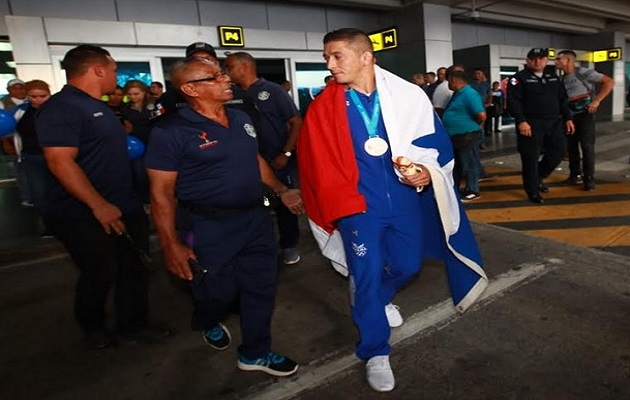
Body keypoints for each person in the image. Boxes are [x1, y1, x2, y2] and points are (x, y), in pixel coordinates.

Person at [298, 28, 487, 393]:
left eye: (337, 56)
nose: (330, 64)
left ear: (366, 56)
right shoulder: (324, 105)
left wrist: (422, 172)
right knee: (366, 273)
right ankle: (375, 350)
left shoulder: (407, 95)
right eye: (327, 58)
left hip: (404, 201)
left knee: (408, 265)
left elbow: (433, 145)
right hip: (357, 207)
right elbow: (314, 162)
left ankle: (376, 297)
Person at [145, 56, 302, 377]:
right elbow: (160, 193)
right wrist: (170, 243)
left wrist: (280, 189)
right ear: (190, 88)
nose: (225, 79)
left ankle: (256, 352)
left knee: (261, 287)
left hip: (256, 220)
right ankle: (206, 319)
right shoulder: (171, 131)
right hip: (207, 225)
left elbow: (253, 157)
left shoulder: (240, 115)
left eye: (223, 73)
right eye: (214, 77)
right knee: (218, 291)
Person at [35, 44, 168, 350]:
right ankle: (93, 328)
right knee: (100, 271)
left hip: (122, 204)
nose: (116, 75)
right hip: (83, 212)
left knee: (134, 268)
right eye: (113, 69)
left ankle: (134, 325)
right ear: (97, 70)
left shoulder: (100, 105)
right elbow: (59, 161)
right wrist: (98, 205)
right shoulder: (62, 108)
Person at [224, 51, 303, 265]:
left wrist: (286, 153)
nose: (226, 72)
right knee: (262, 203)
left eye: (230, 67)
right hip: (247, 163)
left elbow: (296, 122)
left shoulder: (272, 91)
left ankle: (288, 244)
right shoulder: (230, 94)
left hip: (276, 160)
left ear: (244, 66)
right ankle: (263, 246)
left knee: (284, 203)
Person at [508, 48, 575, 204]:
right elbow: (513, 102)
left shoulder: (553, 77)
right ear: (528, 60)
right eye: (534, 59)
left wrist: (568, 118)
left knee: (560, 151)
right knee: (530, 157)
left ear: (546, 60)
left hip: (554, 122)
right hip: (531, 124)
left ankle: (537, 176)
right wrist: (521, 121)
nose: (537, 62)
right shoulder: (518, 78)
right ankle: (532, 190)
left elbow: (563, 99)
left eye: (541, 58)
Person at [554, 50, 615, 191]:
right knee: (572, 148)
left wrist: (597, 100)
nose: (556, 61)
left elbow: (609, 82)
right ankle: (574, 175)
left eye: (559, 59)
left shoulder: (583, 72)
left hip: (585, 115)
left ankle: (589, 179)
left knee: (587, 147)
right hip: (569, 117)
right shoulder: (561, 78)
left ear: (569, 60)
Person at [15, 79, 54, 236]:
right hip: (31, 156)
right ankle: (48, 225)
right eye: (33, 96)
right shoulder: (20, 112)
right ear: (27, 95)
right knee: (39, 193)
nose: (38, 100)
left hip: (55, 156)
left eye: (42, 96)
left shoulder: (57, 110)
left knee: (60, 191)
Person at [442, 70, 486, 201]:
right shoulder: (458, 94)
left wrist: (470, 126)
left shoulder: (469, 93)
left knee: (469, 163)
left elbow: (481, 115)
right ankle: (458, 187)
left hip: (467, 135)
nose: (448, 84)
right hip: (457, 135)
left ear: (454, 81)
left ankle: (473, 190)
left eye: (449, 81)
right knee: (460, 163)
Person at [153, 42, 220, 116]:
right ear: (188, 65)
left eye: (208, 59)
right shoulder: (172, 96)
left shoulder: (230, 91)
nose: (203, 63)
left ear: (216, 63)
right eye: (197, 60)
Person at [121, 79, 155, 203]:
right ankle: (145, 200)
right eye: (130, 94)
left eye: (136, 94)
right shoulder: (125, 109)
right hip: (137, 145)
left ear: (144, 92)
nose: (133, 97)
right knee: (139, 173)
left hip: (156, 143)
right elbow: (127, 127)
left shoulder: (154, 105)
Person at [0, 78, 30, 206]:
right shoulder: (3, 104)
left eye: (21, 87)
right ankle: (27, 197)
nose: (19, 90)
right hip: (12, 140)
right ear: (9, 90)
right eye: (15, 88)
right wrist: (5, 143)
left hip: (29, 141)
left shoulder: (30, 101)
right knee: (20, 169)